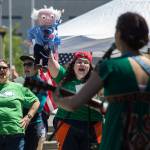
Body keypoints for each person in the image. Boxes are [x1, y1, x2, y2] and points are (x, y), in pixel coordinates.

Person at [53, 12, 150, 150]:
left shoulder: (109, 67)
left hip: (115, 141)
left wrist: (57, 99)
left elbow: (74, 104)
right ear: (146, 37)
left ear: (118, 35)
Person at [48, 51, 103, 150]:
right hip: (67, 123)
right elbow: (52, 64)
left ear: (90, 67)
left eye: (86, 62)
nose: (82, 64)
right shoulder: (64, 77)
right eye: (79, 62)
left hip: (93, 124)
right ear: (73, 65)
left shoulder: (97, 80)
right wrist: (47, 47)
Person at [0, 59, 40, 150]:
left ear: (9, 71)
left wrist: (28, 117)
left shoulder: (18, 87)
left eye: (4, 68)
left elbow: (35, 101)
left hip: (15, 135)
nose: (1, 70)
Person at [20, 55, 48, 150]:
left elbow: (39, 106)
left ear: (37, 67)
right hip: (22, 125)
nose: (26, 67)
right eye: (24, 64)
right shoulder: (22, 82)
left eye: (29, 64)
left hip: (34, 125)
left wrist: (20, 102)